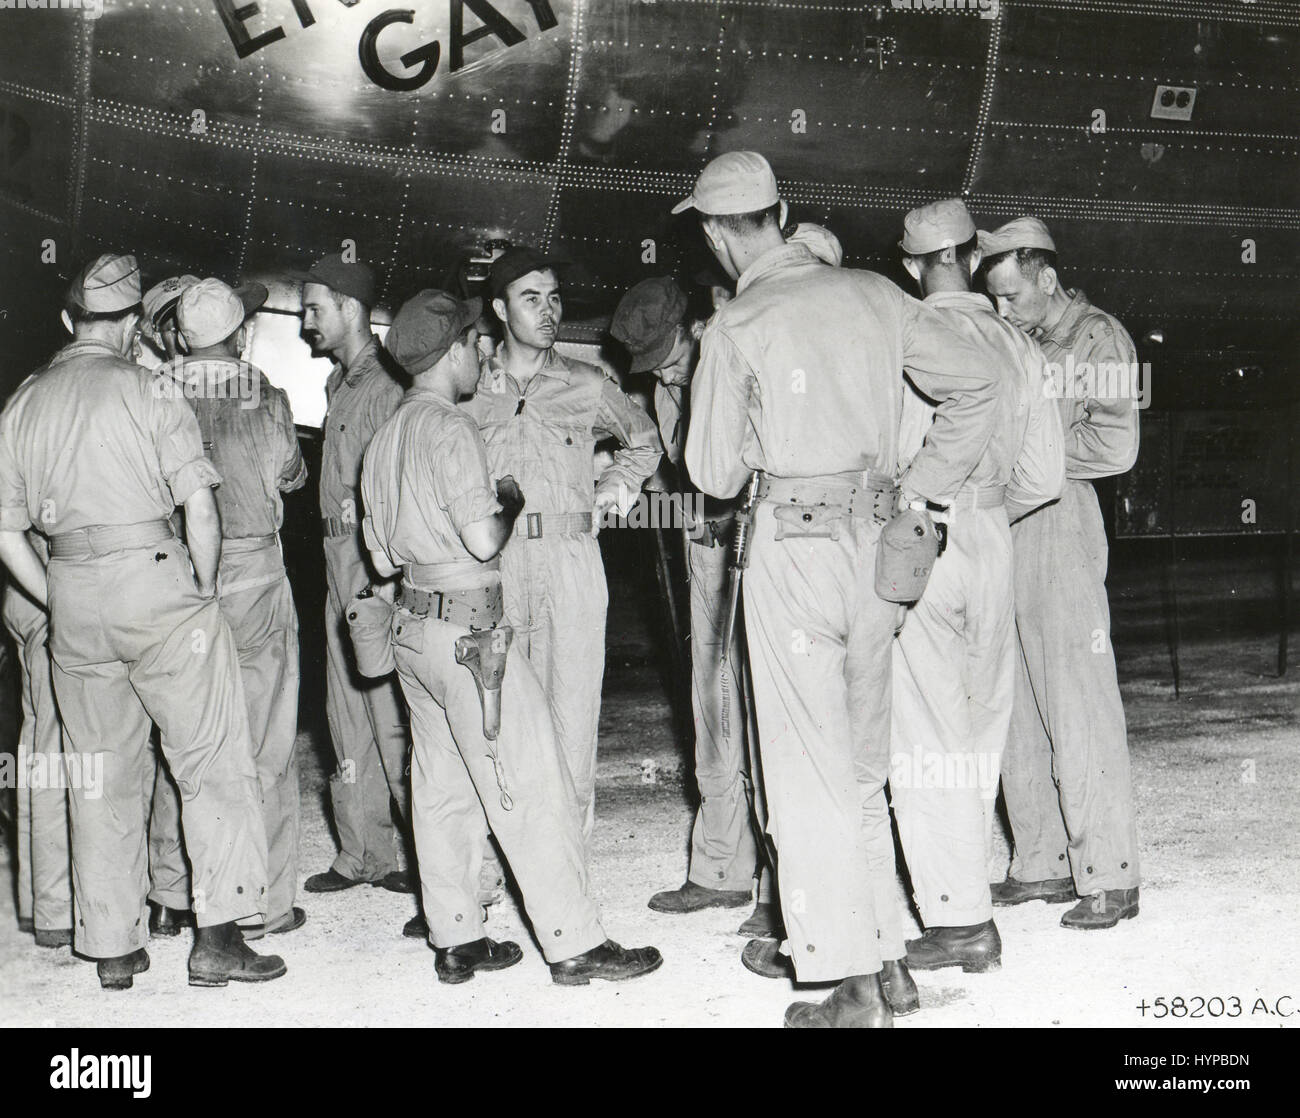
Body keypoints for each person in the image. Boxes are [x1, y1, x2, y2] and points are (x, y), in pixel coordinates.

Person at [680, 152, 1000, 1028]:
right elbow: (979, 384)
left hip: (794, 550)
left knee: (800, 768)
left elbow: (709, 472)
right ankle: (890, 956)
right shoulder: (875, 294)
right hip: (881, 546)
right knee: (862, 763)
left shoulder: (737, 324)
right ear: (781, 212)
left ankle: (847, 984)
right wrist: (926, 491)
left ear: (715, 234)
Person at [361, 288, 663, 986]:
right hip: (473, 631)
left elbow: (378, 557)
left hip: (414, 628)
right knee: (531, 777)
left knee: (440, 787)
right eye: (471, 344)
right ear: (454, 351)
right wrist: (513, 502)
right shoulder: (450, 427)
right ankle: (575, 943)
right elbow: (481, 534)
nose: (478, 355)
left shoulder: (385, 437)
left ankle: (458, 937)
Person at [0, 253, 283, 989]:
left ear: (68, 322)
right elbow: (198, 504)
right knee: (211, 761)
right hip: (156, 588)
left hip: (74, 596)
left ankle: (115, 946)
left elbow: (4, 532)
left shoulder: (24, 401)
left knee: (99, 776)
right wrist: (203, 587)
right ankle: (220, 938)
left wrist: (56, 596)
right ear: (131, 327)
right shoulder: (149, 391)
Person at [889, 200, 1064, 973]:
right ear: (970, 256)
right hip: (994, 536)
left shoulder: (902, 335)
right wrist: (988, 512)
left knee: (923, 732)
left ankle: (958, 916)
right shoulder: (1017, 343)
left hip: (922, 538)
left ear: (911, 265)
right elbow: (1046, 477)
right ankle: (967, 898)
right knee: (980, 723)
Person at [464, 247, 662, 851]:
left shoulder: (584, 384)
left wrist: (615, 489)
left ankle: (567, 869)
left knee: (572, 721)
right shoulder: (470, 387)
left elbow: (645, 440)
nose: (547, 310)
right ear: (499, 309)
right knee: (490, 716)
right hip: (493, 565)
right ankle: (493, 867)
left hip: (571, 561)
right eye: (531, 298)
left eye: (554, 297)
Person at [979, 217, 1142, 930]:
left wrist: (1029, 455)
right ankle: (1040, 860)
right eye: (994, 299)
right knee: (1015, 698)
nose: (1002, 310)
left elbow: (1114, 443)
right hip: (1008, 522)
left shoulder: (1097, 337)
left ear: (1047, 277)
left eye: (1011, 294)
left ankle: (1110, 873)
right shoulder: (1022, 338)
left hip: (1061, 518)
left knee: (1076, 696)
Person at [610, 276, 768, 925]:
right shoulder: (665, 378)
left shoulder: (737, 355)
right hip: (705, 554)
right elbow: (677, 470)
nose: (668, 373)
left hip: (761, 549)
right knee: (712, 705)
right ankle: (720, 868)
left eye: (673, 356)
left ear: (695, 326)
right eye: (655, 366)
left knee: (766, 712)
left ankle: (778, 882)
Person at [167, 277, 309, 937]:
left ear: (178, 335)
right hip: (255, 581)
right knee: (266, 744)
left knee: (187, 748)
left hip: (178, 588)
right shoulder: (266, 395)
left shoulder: (154, 393)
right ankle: (266, 903)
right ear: (240, 333)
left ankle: (174, 897)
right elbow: (290, 475)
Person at [299, 253, 413, 897]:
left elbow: (397, 482)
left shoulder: (388, 385)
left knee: (391, 713)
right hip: (337, 562)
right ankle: (361, 852)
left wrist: (388, 577)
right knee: (345, 712)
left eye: (315, 308)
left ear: (349, 307)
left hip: (373, 564)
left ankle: (418, 856)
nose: (306, 321)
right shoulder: (339, 383)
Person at [3, 530, 72, 948]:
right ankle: (56, 909)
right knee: (58, 756)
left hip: (18, 587)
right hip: (44, 581)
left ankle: (38, 901)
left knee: (36, 748)